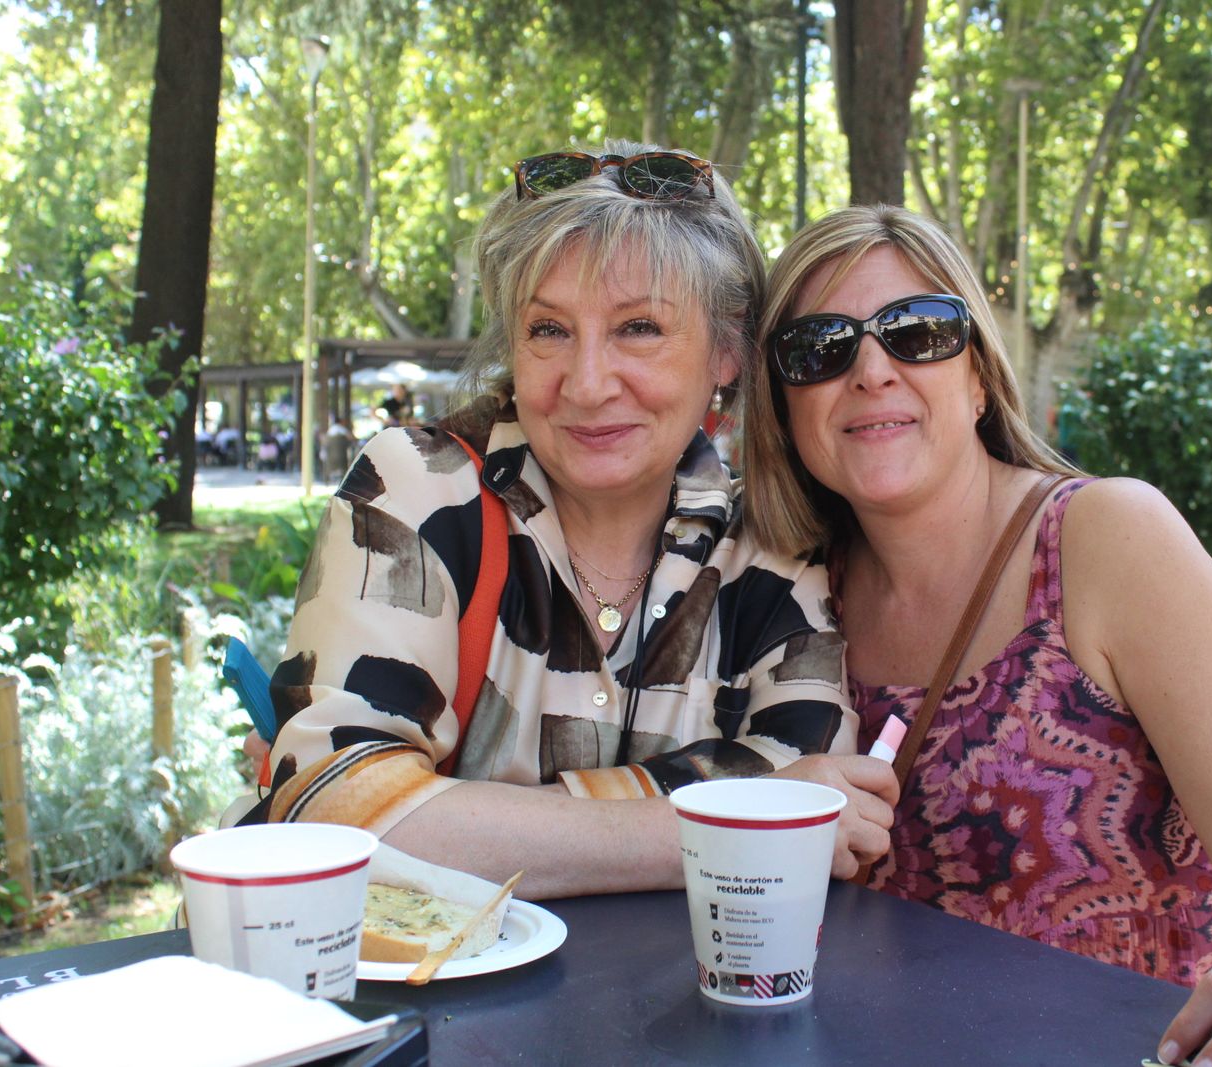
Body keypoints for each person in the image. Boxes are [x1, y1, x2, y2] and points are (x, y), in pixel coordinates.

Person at [741, 205, 1212, 1067]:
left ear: (978, 377)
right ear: (782, 405)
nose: (871, 370)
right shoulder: (790, 593)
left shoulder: (1106, 542)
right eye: (820, 349)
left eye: (917, 332)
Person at [239, 142, 896, 898]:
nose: (586, 385)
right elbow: (335, 814)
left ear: (727, 350)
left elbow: (813, 798)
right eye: (549, 329)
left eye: (638, 327)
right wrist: (718, 826)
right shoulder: (419, 488)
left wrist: (447, 812)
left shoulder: (770, 547)